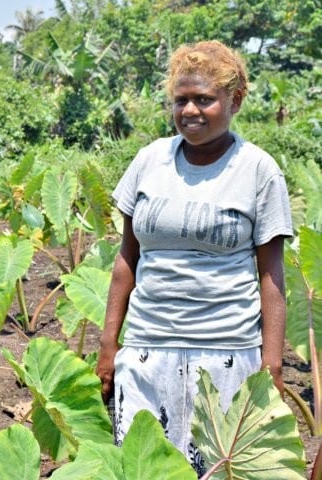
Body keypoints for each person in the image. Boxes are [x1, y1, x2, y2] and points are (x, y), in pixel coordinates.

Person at [96, 40, 293, 475]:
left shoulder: (258, 171)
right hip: (148, 348)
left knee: (218, 469)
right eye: (181, 100)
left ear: (234, 99)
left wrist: (272, 366)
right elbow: (126, 259)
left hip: (225, 353)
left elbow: (272, 276)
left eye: (204, 100)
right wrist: (110, 345)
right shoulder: (150, 161)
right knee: (145, 469)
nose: (190, 111)